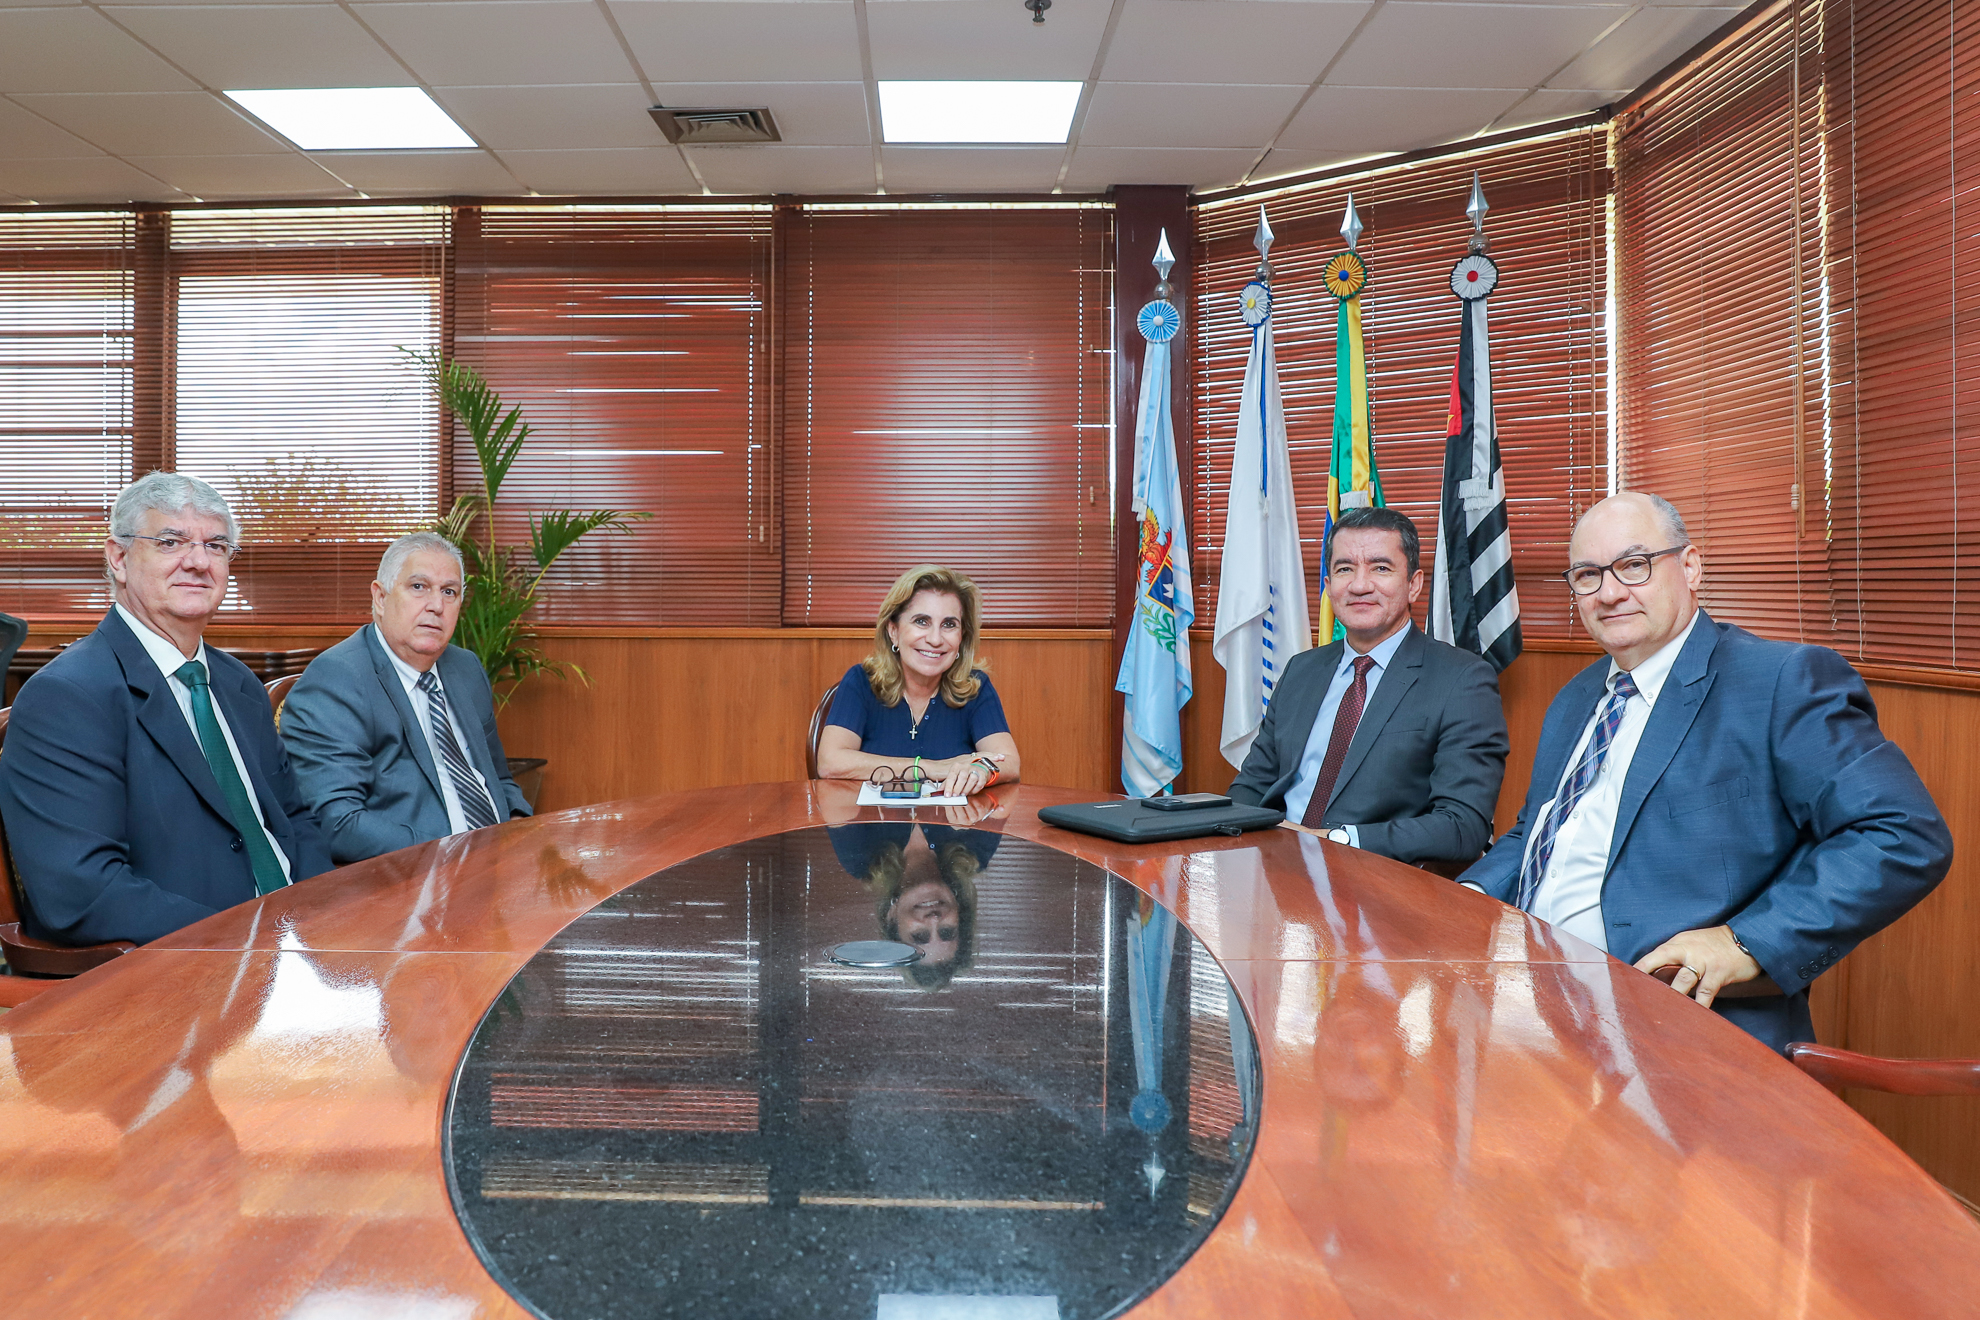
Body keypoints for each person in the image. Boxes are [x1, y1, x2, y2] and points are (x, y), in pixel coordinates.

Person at [1460, 492, 1951, 1053]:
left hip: (1670, 1027)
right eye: (1588, 575)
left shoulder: (1778, 682)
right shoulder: (1576, 699)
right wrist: (1471, 895)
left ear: (1690, 566)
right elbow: (1538, 830)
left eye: (1634, 565)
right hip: (1526, 1001)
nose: (1611, 592)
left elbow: (1902, 832)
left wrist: (1745, 943)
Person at [0, 471, 332, 946]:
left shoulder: (238, 683)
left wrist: (326, 914)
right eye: (171, 541)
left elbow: (297, 821)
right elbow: (81, 892)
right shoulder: (67, 696)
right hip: (183, 968)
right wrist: (245, 939)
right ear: (119, 557)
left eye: (217, 546)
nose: (198, 562)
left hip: (303, 943)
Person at [1228, 506, 1508, 867]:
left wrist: (1337, 840)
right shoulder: (1302, 670)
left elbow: (1462, 827)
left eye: (1380, 568)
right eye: (1345, 569)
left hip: (1376, 884)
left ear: (1414, 584)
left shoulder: (1462, 680)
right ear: (1328, 588)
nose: (1360, 585)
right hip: (1274, 868)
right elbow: (1251, 787)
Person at [280, 532, 530, 864]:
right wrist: (449, 854)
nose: (436, 605)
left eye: (449, 592)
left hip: (497, 865)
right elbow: (336, 821)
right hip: (407, 878)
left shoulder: (465, 668)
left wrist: (517, 827)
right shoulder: (336, 680)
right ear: (380, 598)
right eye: (418, 587)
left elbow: (496, 776)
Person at [815, 565, 1021, 798]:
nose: (935, 639)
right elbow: (830, 763)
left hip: (956, 830)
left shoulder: (976, 686)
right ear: (893, 631)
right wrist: (928, 768)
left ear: (962, 638)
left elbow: (1009, 763)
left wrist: (981, 770)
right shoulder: (861, 682)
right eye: (921, 621)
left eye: (949, 624)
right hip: (872, 828)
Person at [827, 821, 999, 989]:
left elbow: (832, 794)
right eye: (947, 932)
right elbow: (1006, 796)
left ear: (892, 917)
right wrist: (983, 803)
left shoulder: (862, 859)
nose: (934, 919)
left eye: (920, 935)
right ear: (960, 913)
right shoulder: (974, 852)